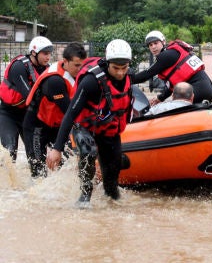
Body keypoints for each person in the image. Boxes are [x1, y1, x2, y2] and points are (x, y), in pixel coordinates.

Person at [46, 39, 133, 207]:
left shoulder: (128, 76)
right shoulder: (91, 82)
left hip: (107, 130)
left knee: (112, 183)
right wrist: (57, 148)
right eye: (116, 68)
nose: (121, 73)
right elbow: (70, 114)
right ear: (108, 64)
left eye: (124, 68)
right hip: (84, 128)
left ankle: (112, 205)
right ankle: (84, 198)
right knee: (88, 150)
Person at [23, 42, 87, 178]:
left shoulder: (77, 73)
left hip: (56, 125)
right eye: (76, 65)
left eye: (82, 65)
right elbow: (71, 112)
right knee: (39, 171)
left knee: (65, 165)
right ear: (65, 61)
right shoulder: (55, 81)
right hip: (37, 126)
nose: (80, 68)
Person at [0, 36, 53, 162]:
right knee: (10, 152)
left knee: (36, 157)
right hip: (9, 114)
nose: (48, 57)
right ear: (34, 53)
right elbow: (29, 96)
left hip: (28, 115)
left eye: (49, 54)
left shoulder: (47, 69)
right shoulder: (19, 67)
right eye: (45, 54)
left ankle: (39, 181)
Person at [134, 30, 212, 105]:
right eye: (150, 45)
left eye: (156, 43)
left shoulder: (166, 55)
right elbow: (171, 86)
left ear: (163, 42)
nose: (153, 47)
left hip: (196, 90)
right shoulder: (172, 52)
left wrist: (125, 79)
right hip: (208, 90)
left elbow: (146, 74)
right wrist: (160, 98)